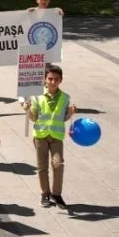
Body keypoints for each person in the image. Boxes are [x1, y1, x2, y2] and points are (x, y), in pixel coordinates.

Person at [21, 64, 76, 210]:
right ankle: (45, 193)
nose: (53, 82)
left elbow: (63, 117)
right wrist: (27, 110)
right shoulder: (37, 97)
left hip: (57, 136)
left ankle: (56, 194)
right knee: (42, 167)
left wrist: (70, 112)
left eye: (56, 79)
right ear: (45, 80)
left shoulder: (65, 98)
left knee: (58, 165)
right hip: (40, 136)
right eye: (50, 79)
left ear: (60, 81)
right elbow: (33, 118)